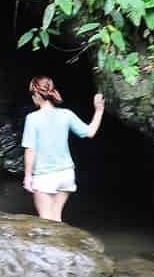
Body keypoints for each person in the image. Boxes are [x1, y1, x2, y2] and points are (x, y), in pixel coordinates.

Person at [22, 75, 104, 221]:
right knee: (56, 220)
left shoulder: (32, 118)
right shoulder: (66, 114)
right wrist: (99, 111)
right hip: (66, 174)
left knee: (46, 223)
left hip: (45, 176)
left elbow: (30, 149)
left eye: (31, 94)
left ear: (36, 94)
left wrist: (28, 176)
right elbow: (90, 132)